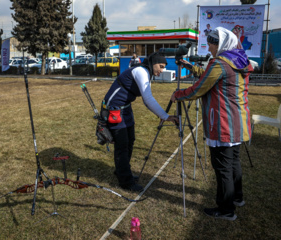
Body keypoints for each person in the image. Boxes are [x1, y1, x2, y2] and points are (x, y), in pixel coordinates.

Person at [171, 27, 253, 221]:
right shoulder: (239, 59)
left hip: (223, 123)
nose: (209, 47)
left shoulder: (219, 63)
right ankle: (237, 198)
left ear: (221, 44)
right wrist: (190, 66)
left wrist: (178, 95)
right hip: (239, 121)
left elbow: (198, 89)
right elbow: (209, 76)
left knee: (222, 167)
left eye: (211, 44)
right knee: (233, 162)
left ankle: (226, 209)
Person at [103, 52, 178, 192]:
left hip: (125, 108)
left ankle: (122, 171)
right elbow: (147, 99)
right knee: (122, 145)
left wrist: (163, 115)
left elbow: (147, 97)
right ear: (152, 63)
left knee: (130, 140)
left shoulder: (147, 73)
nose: (162, 71)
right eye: (160, 67)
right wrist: (165, 116)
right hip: (115, 109)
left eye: (163, 68)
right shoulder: (141, 71)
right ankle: (125, 181)